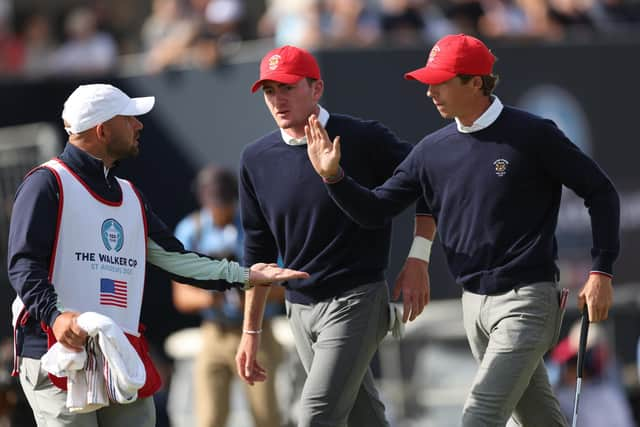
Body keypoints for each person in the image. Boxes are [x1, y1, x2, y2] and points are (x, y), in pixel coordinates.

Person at [305, 33, 620, 426]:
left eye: (440, 82)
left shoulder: (533, 134)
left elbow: (600, 192)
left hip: (527, 301)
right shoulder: (431, 150)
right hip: (473, 306)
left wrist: (601, 270)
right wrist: (334, 178)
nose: (429, 92)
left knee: (478, 416)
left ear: (476, 82)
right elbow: (375, 210)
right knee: (539, 419)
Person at [7, 83, 308, 427]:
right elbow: (24, 265)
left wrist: (246, 276)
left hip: (118, 350)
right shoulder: (45, 183)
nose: (139, 125)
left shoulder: (130, 195)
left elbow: (176, 259)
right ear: (102, 129)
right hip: (55, 350)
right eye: (130, 118)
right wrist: (56, 317)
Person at [235, 45, 433, 427]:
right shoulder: (255, 158)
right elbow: (257, 251)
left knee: (314, 417)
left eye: (288, 87)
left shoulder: (363, 137)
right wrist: (251, 330)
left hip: (355, 300)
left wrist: (418, 257)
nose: (278, 99)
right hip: (298, 309)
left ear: (317, 88)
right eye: (269, 91)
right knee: (363, 417)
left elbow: (427, 183)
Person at [171, 164, 283, 427]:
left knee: (266, 417)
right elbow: (181, 296)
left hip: (257, 329)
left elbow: (283, 287)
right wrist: (214, 294)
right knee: (209, 419)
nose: (218, 211)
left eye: (224, 203)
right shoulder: (191, 230)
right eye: (213, 203)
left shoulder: (256, 228)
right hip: (215, 331)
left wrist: (251, 293)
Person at [549, 321, 635, 427]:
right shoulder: (561, 396)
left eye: (573, 362)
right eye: (571, 362)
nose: (567, 370)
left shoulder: (609, 395)